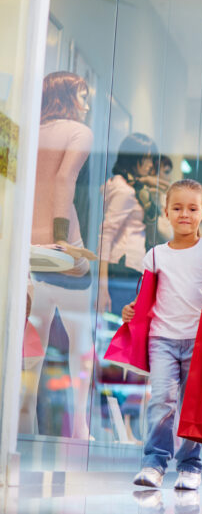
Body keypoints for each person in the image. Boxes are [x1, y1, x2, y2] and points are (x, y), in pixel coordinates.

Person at [126, 179, 202, 491]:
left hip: (200, 341)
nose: (185, 213)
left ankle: (190, 466)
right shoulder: (155, 255)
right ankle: (154, 462)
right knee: (162, 400)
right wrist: (131, 310)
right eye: (177, 208)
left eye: (192, 208)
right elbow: (145, 299)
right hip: (162, 340)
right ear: (166, 214)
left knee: (193, 407)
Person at [22, 71, 96, 439]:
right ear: (67, 96)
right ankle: (80, 425)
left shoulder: (27, 130)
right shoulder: (78, 131)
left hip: (25, 245)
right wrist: (62, 241)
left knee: (32, 337)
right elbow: (64, 180)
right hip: (61, 246)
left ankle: (22, 422)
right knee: (80, 338)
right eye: (82, 95)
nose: (86, 104)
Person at [98, 133, 160, 314]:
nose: (150, 165)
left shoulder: (124, 184)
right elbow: (105, 235)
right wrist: (103, 287)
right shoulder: (125, 191)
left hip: (127, 268)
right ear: (133, 158)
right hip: (123, 268)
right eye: (146, 159)